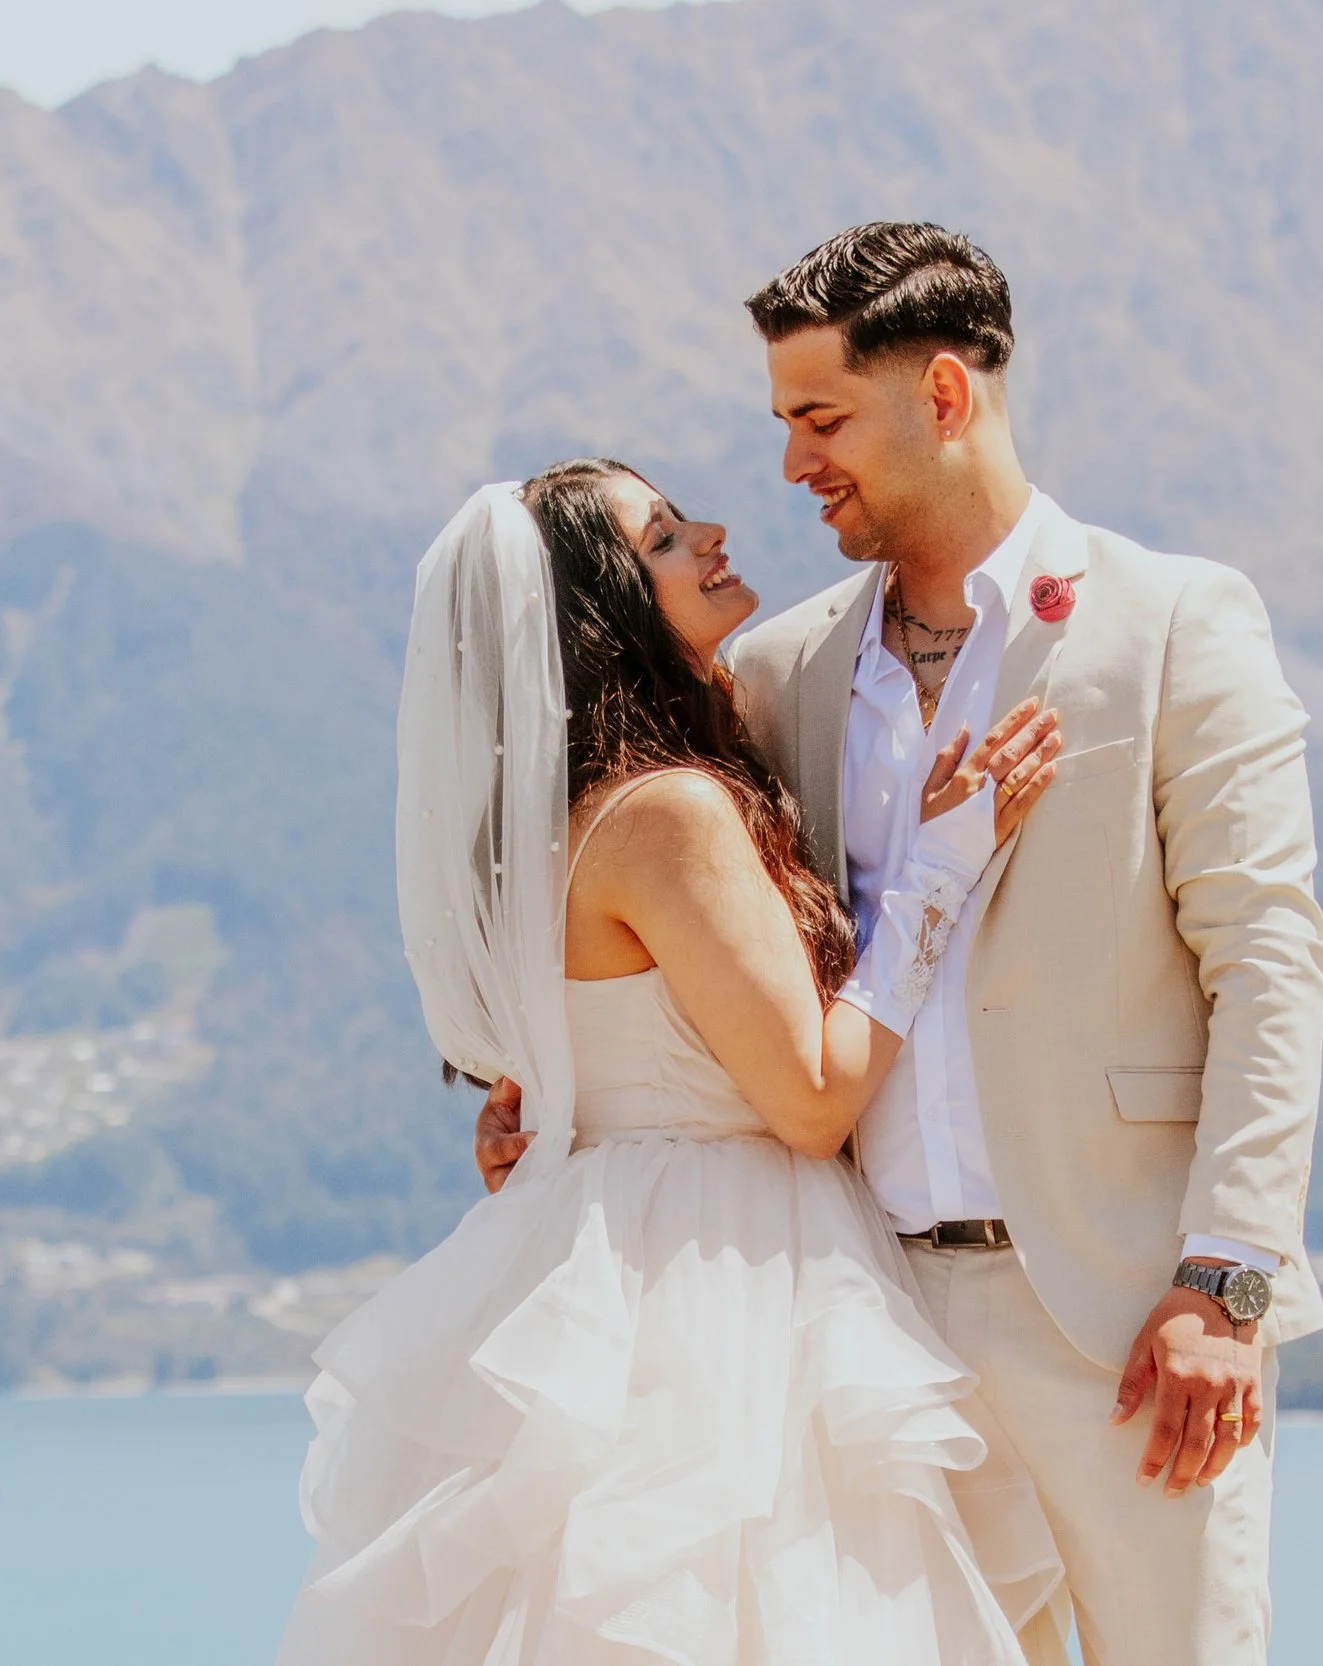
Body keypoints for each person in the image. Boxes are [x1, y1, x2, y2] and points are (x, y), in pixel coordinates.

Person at [482, 223, 1323, 1664]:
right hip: (860, 1333)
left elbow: (1270, 960)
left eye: (822, 420)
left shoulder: (1176, 621)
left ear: (944, 395)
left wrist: (1226, 1284)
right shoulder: (773, 668)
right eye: (784, 424)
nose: (793, 465)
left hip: (1128, 1323)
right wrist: (557, 1095)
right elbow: (674, 922)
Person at [277, 459, 1066, 1664]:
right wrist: (940, 868)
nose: (711, 534)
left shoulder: (575, 817)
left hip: (623, 1249)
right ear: (604, 604)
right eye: (661, 537)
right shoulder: (667, 816)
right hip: (725, 1283)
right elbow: (808, 1101)